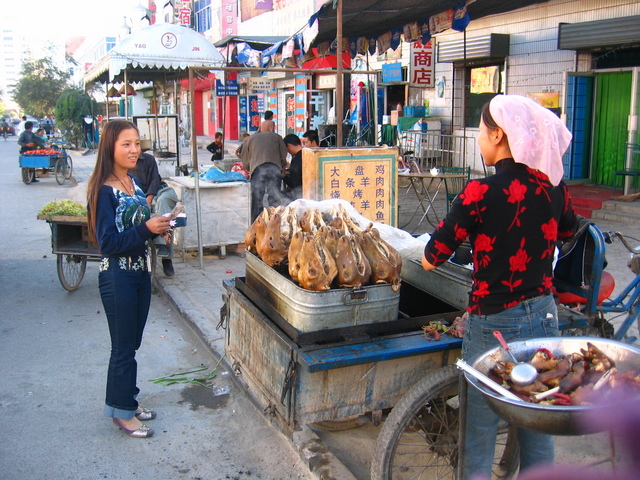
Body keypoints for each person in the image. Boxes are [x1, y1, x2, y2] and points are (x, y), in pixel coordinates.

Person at [420, 95, 578, 479]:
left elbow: (431, 256)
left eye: (481, 133)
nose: (479, 140)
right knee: (538, 420)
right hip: (543, 318)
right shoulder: (553, 188)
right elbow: (570, 232)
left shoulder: (480, 193)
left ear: (498, 134)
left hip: (493, 326)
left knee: (480, 428)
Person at [86, 119, 172, 438]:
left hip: (140, 274)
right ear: (110, 147)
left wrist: (160, 228)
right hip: (118, 278)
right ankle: (122, 413)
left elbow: (138, 228)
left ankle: (126, 399)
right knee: (122, 347)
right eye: (126, 144)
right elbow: (108, 243)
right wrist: (144, 229)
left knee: (131, 344)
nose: (134, 149)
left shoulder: (133, 183)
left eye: (137, 143)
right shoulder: (102, 190)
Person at [129, 150, 180, 278]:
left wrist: (149, 198)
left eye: (136, 144)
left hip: (158, 191)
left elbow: (154, 180)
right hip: (135, 196)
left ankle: (165, 253)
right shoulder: (121, 161)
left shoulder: (148, 159)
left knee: (165, 204)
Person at [241, 129, 290, 222]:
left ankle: (256, 222)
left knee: (257, 197)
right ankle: (275, 221)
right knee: (274, 195)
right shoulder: (277, 137)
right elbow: (283, 155)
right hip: (274, 168)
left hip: (257, 169)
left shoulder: (250, 139)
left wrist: (250, 167)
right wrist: (281, 165)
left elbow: (245, 159)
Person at [283, 134, 303, 200]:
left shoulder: (296, 159)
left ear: (289, 146)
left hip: (300, 194)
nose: (288, 152)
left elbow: (295, 183)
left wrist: (284, 176)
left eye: (287, 150)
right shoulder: (308, 154)